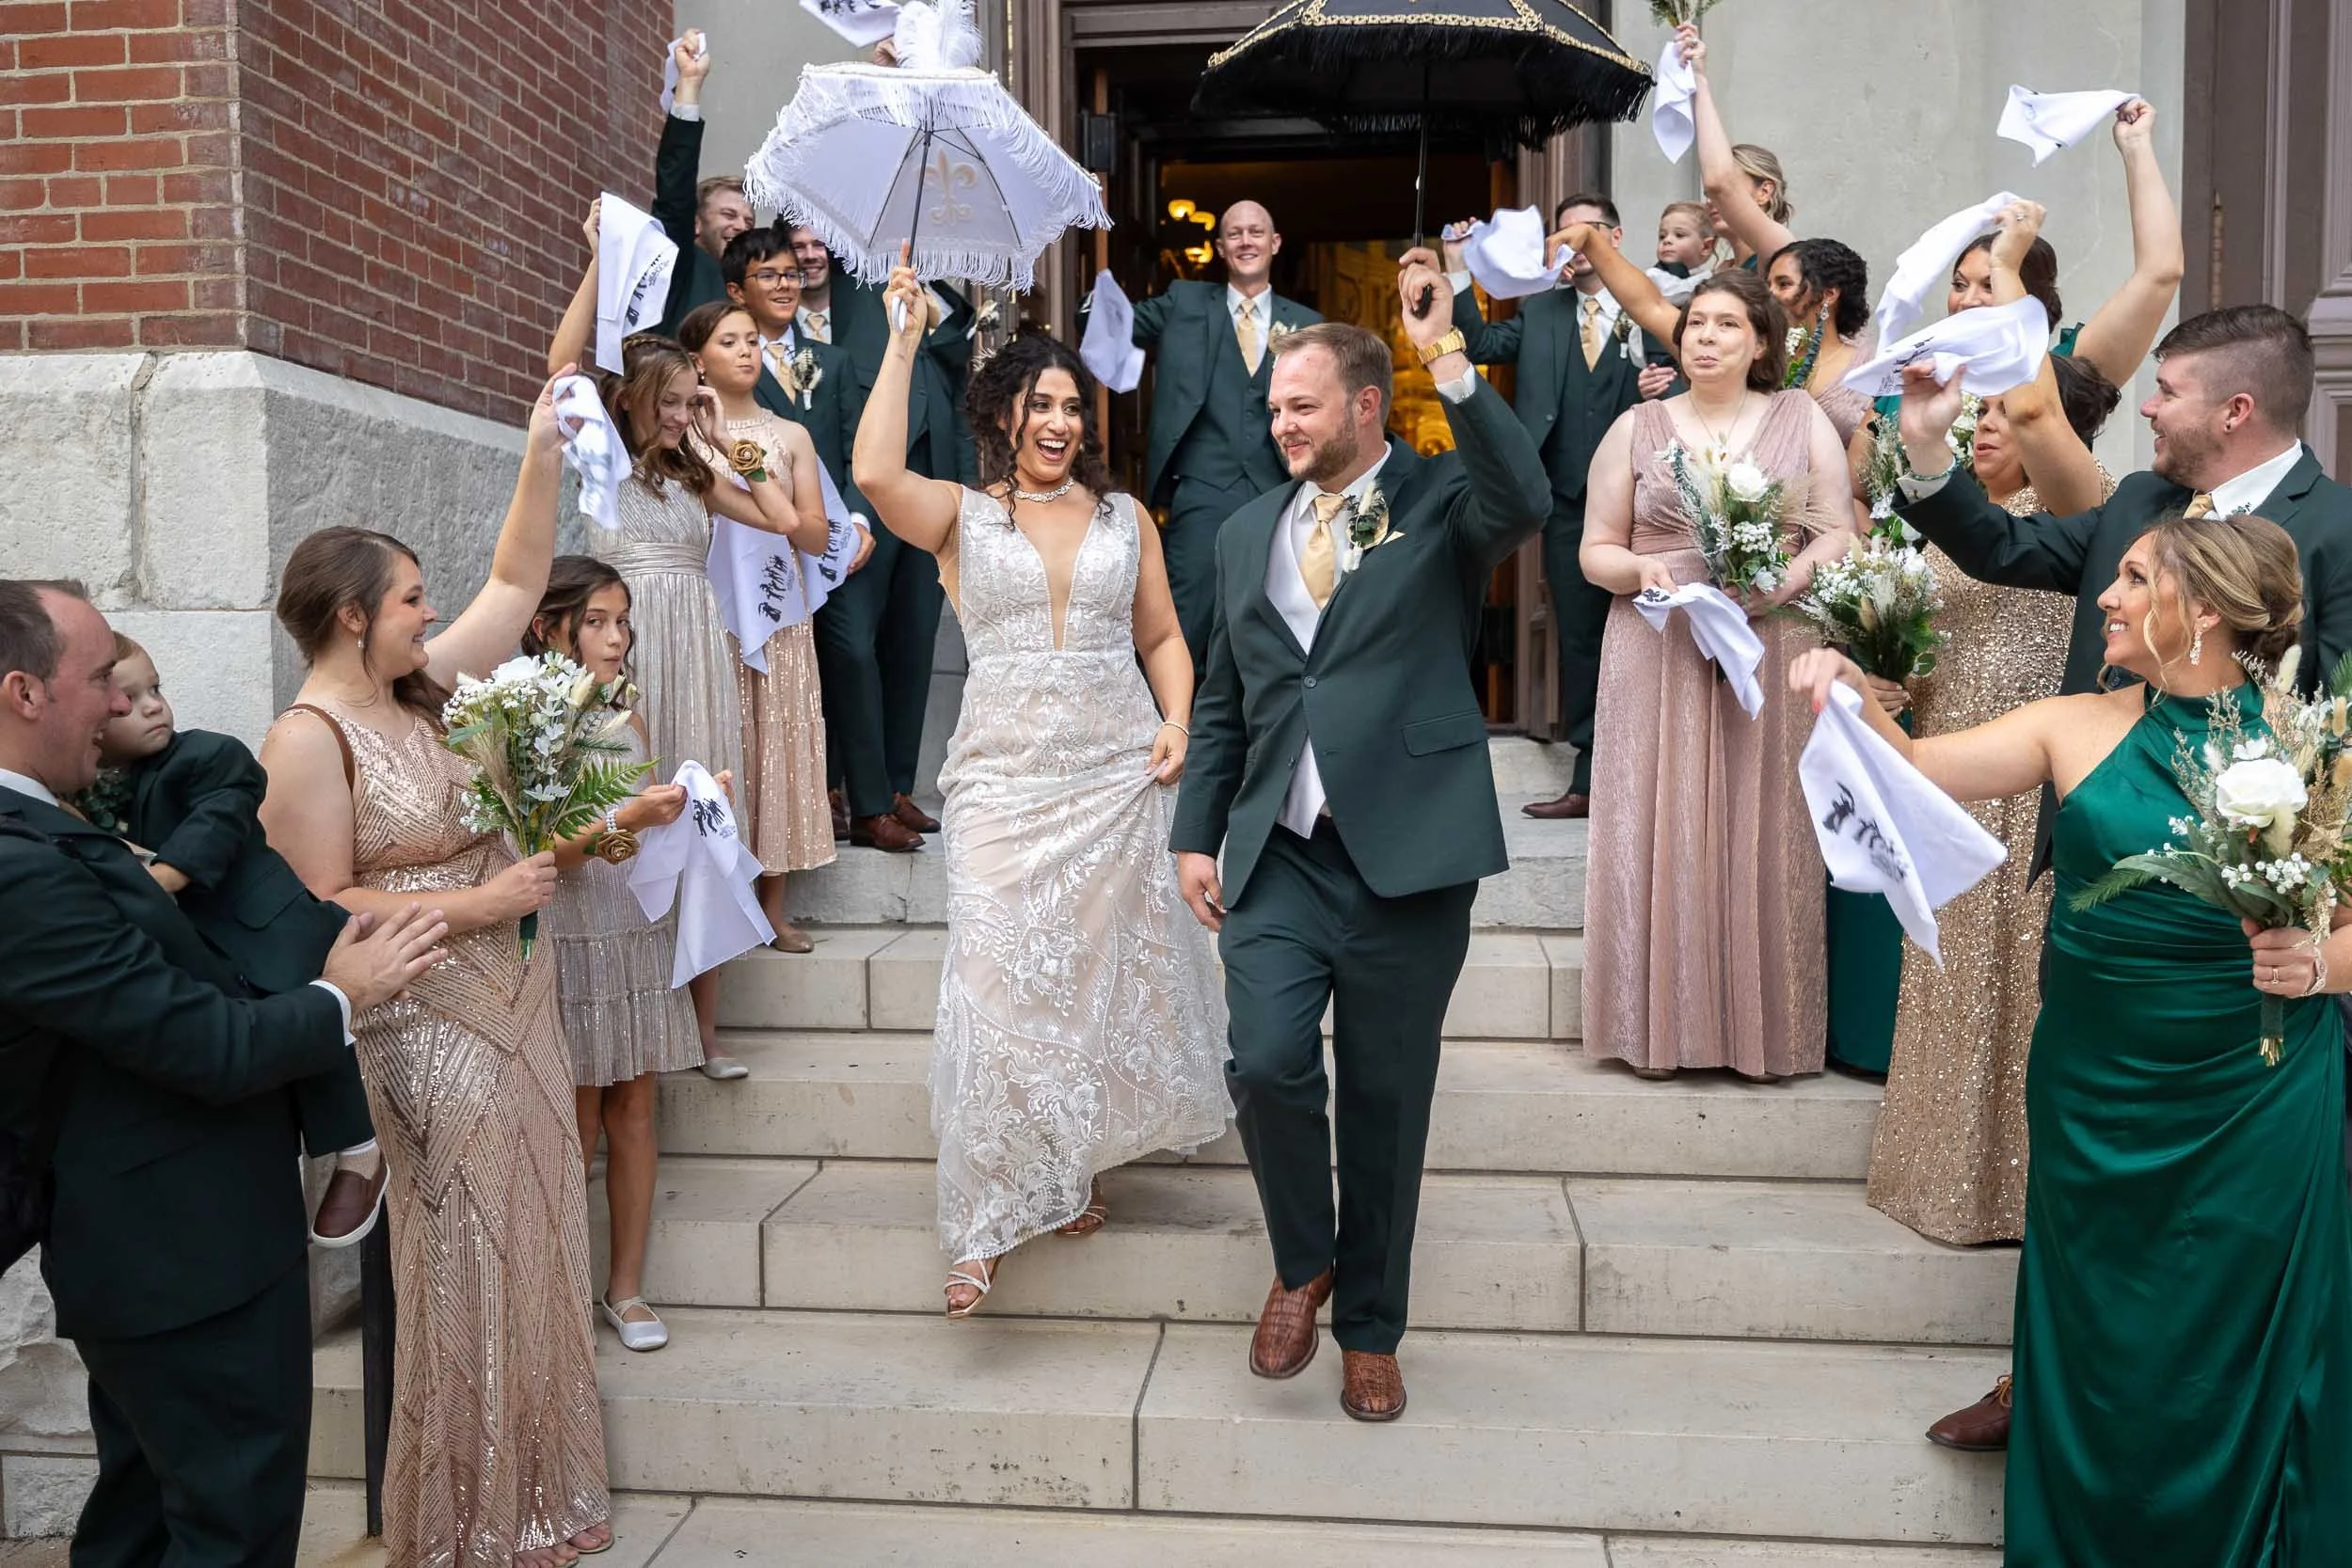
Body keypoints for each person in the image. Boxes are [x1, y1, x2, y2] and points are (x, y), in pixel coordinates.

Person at [1788, 515, 2352, 1568]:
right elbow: (1911, 767)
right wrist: (1845, 682)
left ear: (2209, 611)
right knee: (2104, 1341)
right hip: (2095, 1095)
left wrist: (2319, 963)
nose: (2107, 593)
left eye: (2134, 578)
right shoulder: (2070, 723)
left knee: (2235, 1344)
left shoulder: (2312, 748)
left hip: (2254, 1097)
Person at [1171, 264, 1554, 1422]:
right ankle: (1304, 1259)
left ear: (1363, 406)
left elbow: (1527, 496)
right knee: (1267, 1060)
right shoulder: (1245, 533)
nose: (1279, 422)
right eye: (1273, 407)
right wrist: (1196, 834)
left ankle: (1371, 1329)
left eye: (1300, 404)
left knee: (1386, 1098)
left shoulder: (1442, 502)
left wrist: (1450, 358)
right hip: (1278, 849)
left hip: (1407, 851)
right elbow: (1230, 701)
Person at [0, 578, 446, 1568]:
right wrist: (343, 993)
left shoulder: (56, 823)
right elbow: (200, 1042)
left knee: (145, 1513)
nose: (118, 704)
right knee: (231, 1525)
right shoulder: (16, 862)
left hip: (162, 1256)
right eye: (96, 683)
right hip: (179, 1263)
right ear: (24, 691)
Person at [258, 373, 615, 1568]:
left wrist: (540, 450)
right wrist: (479, 900)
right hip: (423, 1019)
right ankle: (464, 1520)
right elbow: (311, 907)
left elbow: (517, 585)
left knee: (543, 1223)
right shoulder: (309, 739)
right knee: (466, 1241)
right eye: (411, 598)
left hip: (520, 998)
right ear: (353, 614)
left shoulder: (425, 694)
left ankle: (542, 1495)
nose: (429, 611)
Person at [850, 279, 1230, 1319]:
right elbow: (874, 469)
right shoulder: (962, 516)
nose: (1059, 422)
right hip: (1004, 787)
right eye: (1040, 404)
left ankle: (1069, 1163)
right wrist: (900, 338)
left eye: (1072, 406)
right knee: (993, 980)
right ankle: (979, 1223)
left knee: (1091, 983)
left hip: (1112, 774)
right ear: (1001, 414)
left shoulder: (1124, 517)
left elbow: (1160, 637)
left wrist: (1177, 721)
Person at [1867, 199, 2123, 1255]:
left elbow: (2038, 419)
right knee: (1946, 975)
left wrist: (2006, 266)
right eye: (1971, 418)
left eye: (1997, 415)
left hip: (2038, 767)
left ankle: (2020, 1192)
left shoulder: (2085, 510)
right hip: (1950, 748)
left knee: (2019, 986)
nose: (1985, 427)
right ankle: (1937, 1174)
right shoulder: (1945, 523)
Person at [548, 200, 808, 1078]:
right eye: (672, 401)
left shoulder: (697, 475)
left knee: (705, 826)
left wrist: (725, 444)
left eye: (688, 400)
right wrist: (594, 266)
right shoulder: (606, 471)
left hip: (698, 645)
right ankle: (634, 1012)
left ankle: (702, 1034)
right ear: (636, 404)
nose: (683, 412)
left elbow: (782, 521)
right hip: (629, 646)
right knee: (637, 818)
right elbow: (559, 370)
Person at [1578, 270, 1854, 1080]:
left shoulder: (1801, 419)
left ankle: (1760, 1033)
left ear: (1761, 341)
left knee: (1763, 820)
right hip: (1657, 641)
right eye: (1696, 322)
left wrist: (1785, 582)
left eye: (1727, 324)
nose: (1705, 336)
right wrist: (1640, 572)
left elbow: (1837, 531)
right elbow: (1593, 549)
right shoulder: (1636, 426)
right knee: (1653, 819)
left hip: (1765, 639)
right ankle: (1654, 1025)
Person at [72, 633, 387, 1246]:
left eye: (156, 688)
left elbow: (220, 817)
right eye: (128, 697)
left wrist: (157, 881)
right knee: (259, 1051)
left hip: (271, 928)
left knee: (319, 1016)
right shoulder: (91, 796)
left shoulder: (206, 755)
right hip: (210, 957)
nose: (152, 705)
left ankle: (359, 1151)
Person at [521, 558, 703, 1354]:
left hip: (631, 922)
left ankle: (625, 1287)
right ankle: (560, 1286)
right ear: (548, 627)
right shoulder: (530, 719)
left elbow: (625, 836)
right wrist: (627, 815)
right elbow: (542, 853)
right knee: (581, 1115)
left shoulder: (630, 708)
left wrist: (681, 813)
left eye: (622, 620)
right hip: (570, 930)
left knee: (636, 1104)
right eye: (596, 620)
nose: (616, 637)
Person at [1438, 195, 1650, 821]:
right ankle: (1590, 778)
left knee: (1657, 636)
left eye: (1587, 233)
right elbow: (1472, 341)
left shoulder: (1648, 306)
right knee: (1582, 639)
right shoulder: (1541, 313)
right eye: (1564, 235)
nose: (1573, 246)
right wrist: (1456, 262)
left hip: (1648, 501)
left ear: (1613, 235)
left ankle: (1653, 774)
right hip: (1563, 503)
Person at [790, 222, 978, 847]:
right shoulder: (814, 312)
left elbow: (955, 341)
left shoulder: (903, 290)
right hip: (860, 490)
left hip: (926, 479)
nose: (811, 254)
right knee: (853, 644)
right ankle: (844, 787)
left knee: (914, 638)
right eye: (799, 244)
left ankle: (896, 785)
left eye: (820, 244)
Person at [677, 295, 849, 944]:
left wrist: (750, 460)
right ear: (698, 359)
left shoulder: (792, 436)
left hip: (779, 611)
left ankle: (773, 906)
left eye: (753, 339)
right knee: (726, 743)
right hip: (711, 611)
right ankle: (725, 898)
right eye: (730, 341)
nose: (747, 350)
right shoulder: (684, 434)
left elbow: (810, 534)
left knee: (777, 742)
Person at [1125, 201, 1325, 679]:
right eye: (1234, 234)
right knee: (1183, 618)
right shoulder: (1184, 301)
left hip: (1282, 490)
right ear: (1220, 248)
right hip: (1202, 489)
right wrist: (1086, 298)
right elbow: (1115, 323)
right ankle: (1167, 735)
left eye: (1256, 232)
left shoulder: (1309, 323)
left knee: (1277, 620)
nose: (1246, 242)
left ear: (1275, 244)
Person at [1946, 100, 2183, 389]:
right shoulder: (1911, 378)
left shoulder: (2064, 379)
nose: (1967, 301)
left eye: (1990, 285)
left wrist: (2136, 145)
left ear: (2033, 301)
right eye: (1959, 285)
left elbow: (2160, 272)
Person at [651, 28, 755, 334]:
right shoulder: (681, 262)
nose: (740, 227)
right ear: (696, 224)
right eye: (728, 215)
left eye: (749, 222)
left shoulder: (759, 284)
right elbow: (675, 194)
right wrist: (689, 87)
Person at [1679, 26, 1797, 273]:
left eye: (1734, 183)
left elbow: (1718, 183)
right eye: (1706, 195)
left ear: (1765, 191)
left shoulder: (1779, 250)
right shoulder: (1721, 270)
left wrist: (1699, 79)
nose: (1711, 201)